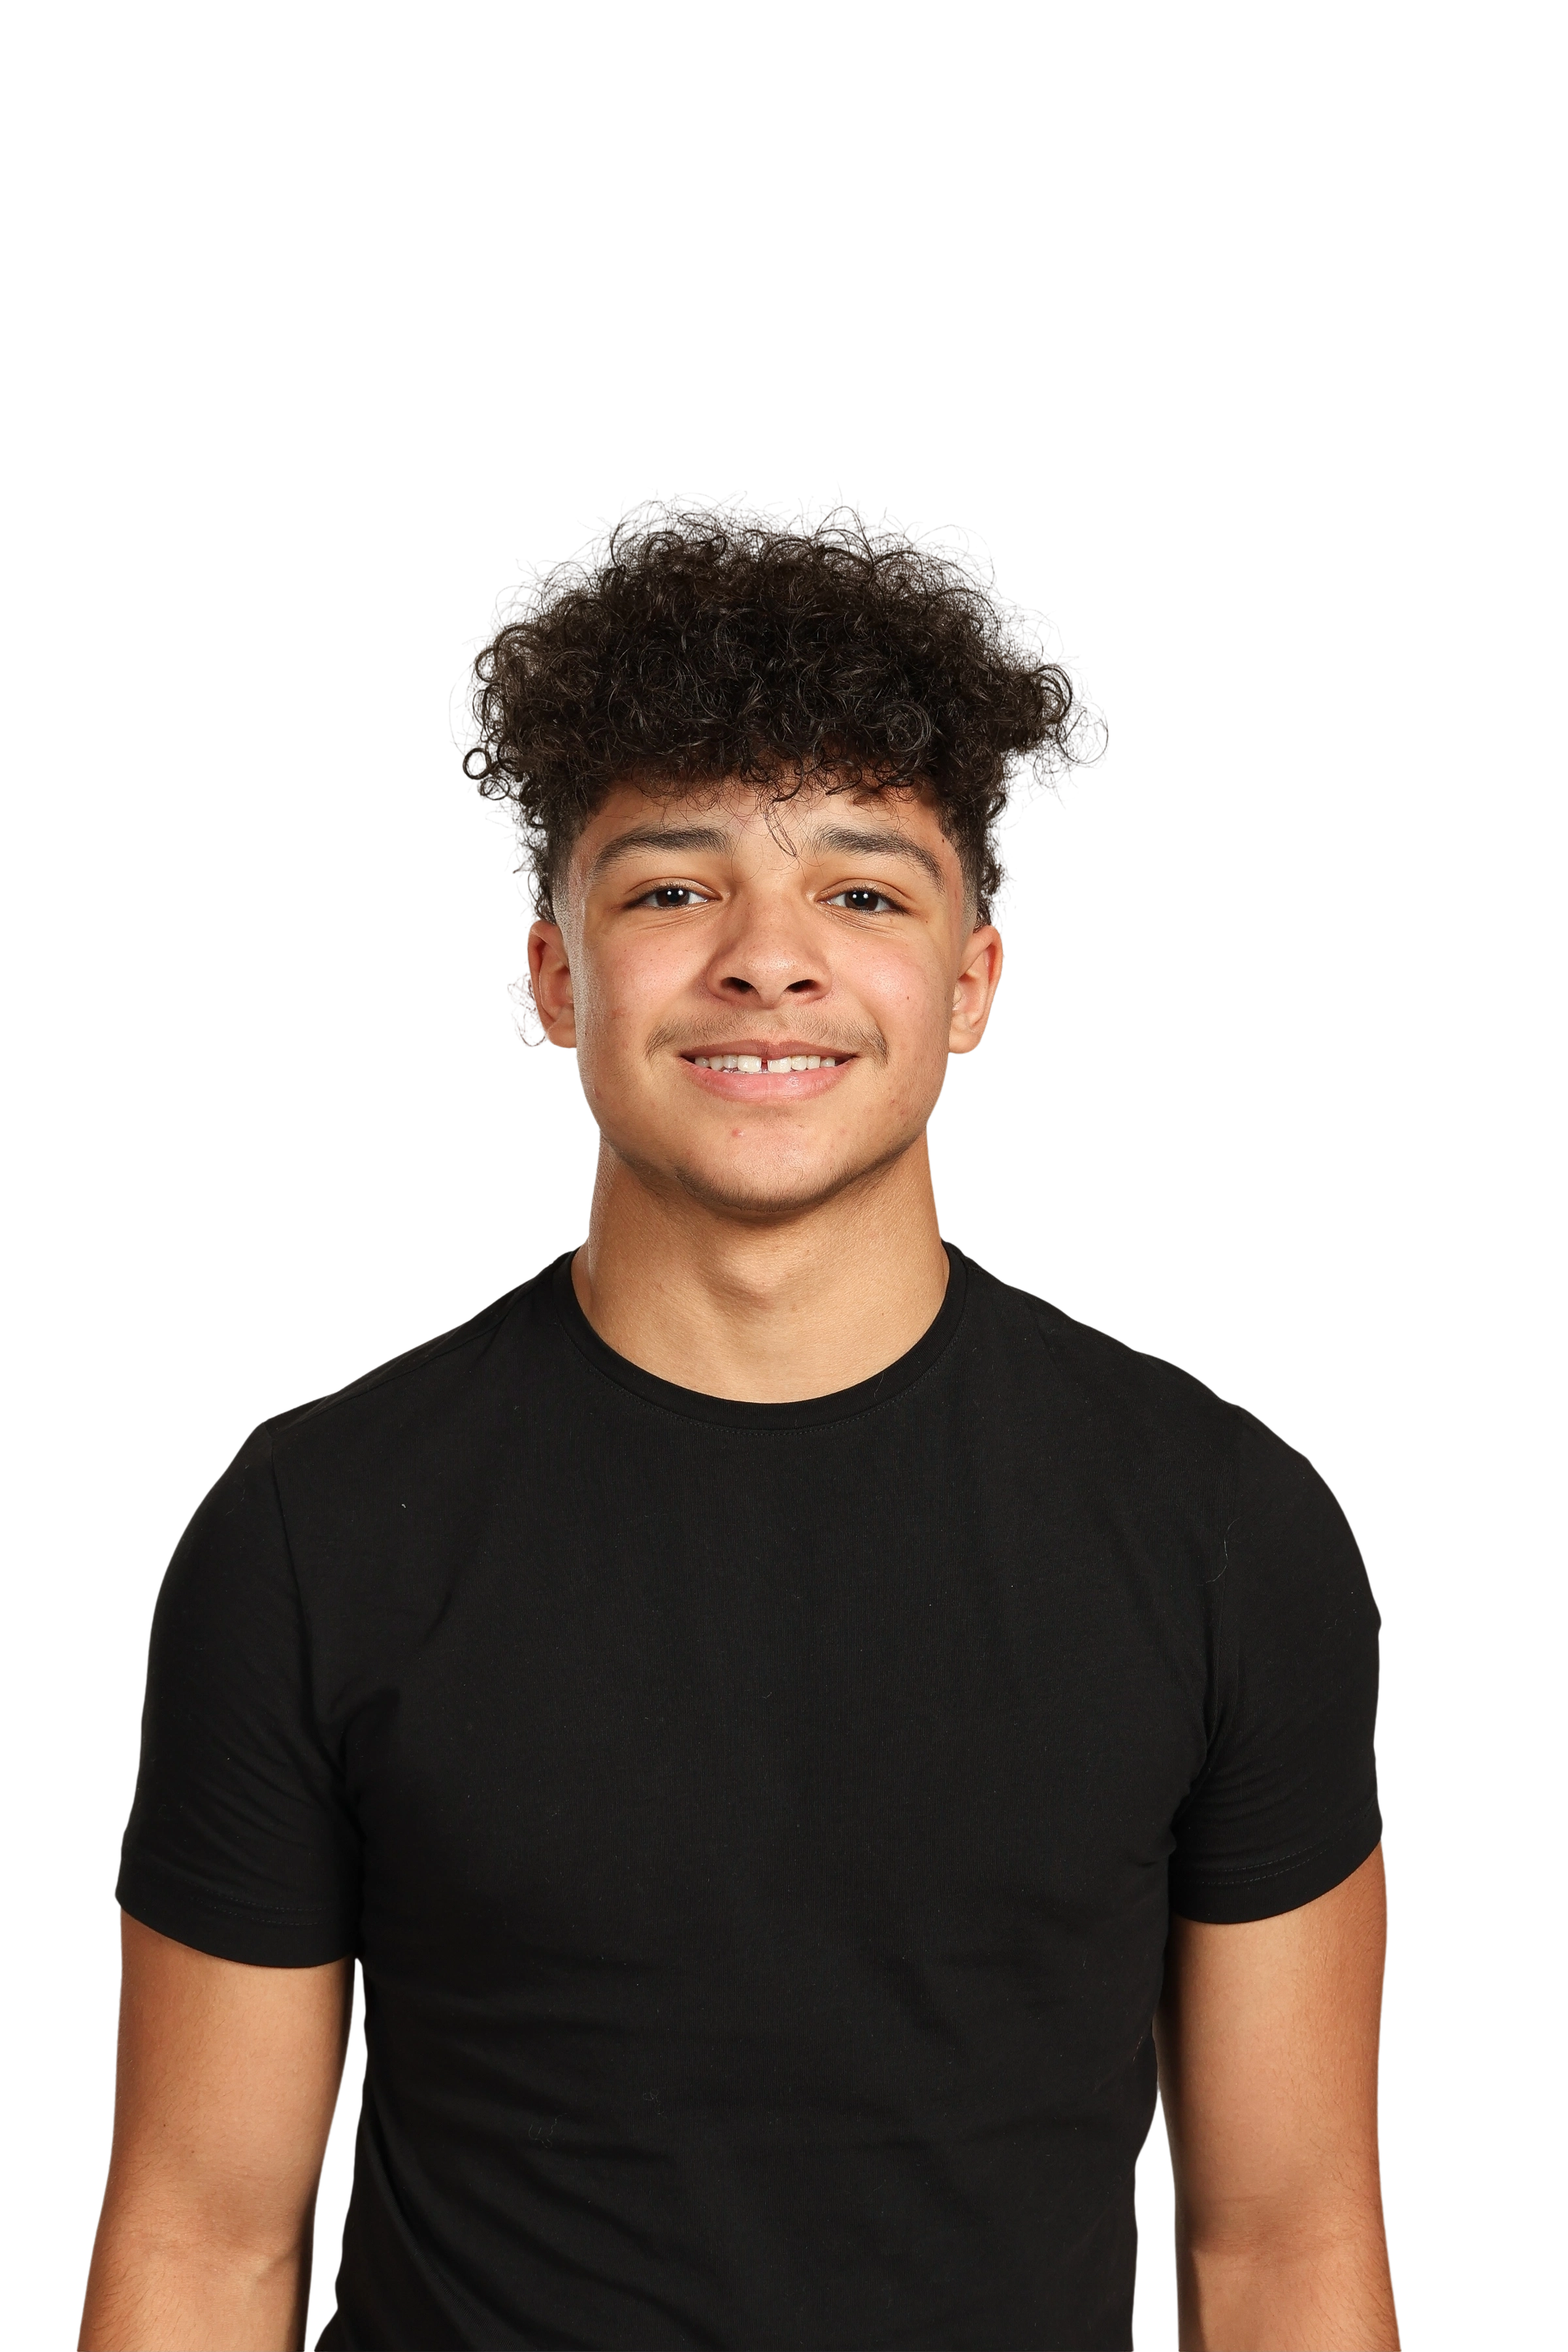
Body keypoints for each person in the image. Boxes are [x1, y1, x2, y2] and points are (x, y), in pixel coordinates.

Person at [80, 488, 1400, 2352]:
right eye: (672, 889)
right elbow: (206, 2240)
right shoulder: (316, 1527)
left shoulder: (1224, 1529)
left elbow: (1285, 2247)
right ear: (554, 973)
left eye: (861, 892)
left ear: (972, 981)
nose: (767, 960)